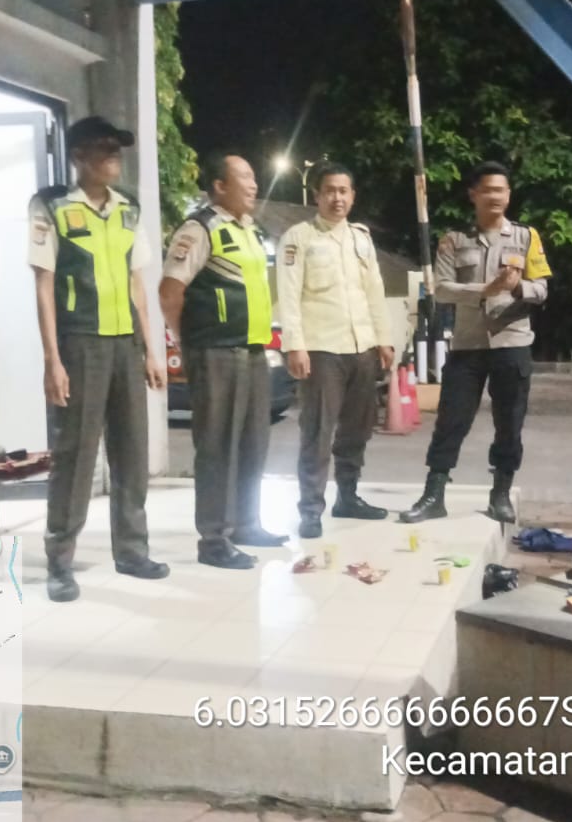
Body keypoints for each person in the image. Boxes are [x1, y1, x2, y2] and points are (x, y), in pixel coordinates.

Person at [29, 115, 170, 603]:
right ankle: (60, 562)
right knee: (75, 456)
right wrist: (52, 359)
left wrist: (151, 349)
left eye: (117, 149)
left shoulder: (128, 209)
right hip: (80, 343)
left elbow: (137, 283)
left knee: (132, 452)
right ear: (78, 157)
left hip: (125, 344)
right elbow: (44, 284)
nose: (114, 157)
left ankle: (132, 551)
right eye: (104, 149)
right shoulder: (52, 206)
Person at [400, 161, 551, 524]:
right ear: (474, 194)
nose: (495, 196)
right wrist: (486, 289)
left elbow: (542, 289)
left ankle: (501, 494)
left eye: (501, 190)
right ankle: (434, 494)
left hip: (512, 342)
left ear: (508, 195)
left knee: (509, 424)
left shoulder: (526, 237)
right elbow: (442, 289)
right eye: (488, 190)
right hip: (467, 345)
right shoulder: (455, 239)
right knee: (451, 421)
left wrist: (517, 287)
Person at [160, 153, 288, 569]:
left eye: (253, 177)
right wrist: (188, 342)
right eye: (244, 177)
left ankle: (247, 523)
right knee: (217, 447)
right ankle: (214, 539)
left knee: (253, 442)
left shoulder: (250, 230)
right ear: (219, 186)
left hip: (252, 350)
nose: (253, 184)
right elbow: (170, 292)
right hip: (214, 351)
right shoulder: (200, 228)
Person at [275, 162, 396, 539]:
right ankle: (310, 509)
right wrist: (295, 345)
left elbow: (374, 292)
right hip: (321, 349)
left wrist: (384, 338)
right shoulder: (299, 238)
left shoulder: (361, 238)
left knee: (357, 429)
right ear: (317, 195)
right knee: (317, 431)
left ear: (353, 196)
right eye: (330, 190)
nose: (337, 198)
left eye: (344, 191)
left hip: (361, 348)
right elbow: (288, 295)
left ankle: (348, 496)